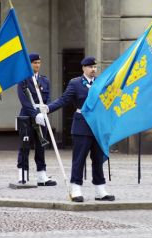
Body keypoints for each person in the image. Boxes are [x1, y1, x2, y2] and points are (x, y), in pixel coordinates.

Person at [48, 57, 115, 202]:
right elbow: (64, 100)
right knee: (79, 159)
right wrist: (47, 109)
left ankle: (100, 189)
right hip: (82, 125)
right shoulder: (76, 83)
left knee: (98, 158)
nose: (93, 70)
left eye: (95, 67)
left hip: (98, 126)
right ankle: (76, 188)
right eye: (90, 67)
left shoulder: (101, 82)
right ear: (83, 68)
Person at [16, 53, 56, 187]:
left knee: (41, 146)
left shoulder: (44, 80)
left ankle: (41, 174)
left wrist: (46, 109)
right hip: (27, 116)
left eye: (39, 62)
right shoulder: (23, 80)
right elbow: (24, 101)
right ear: (29, 64)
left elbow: (48, 97)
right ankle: (22, 172)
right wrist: (35, 114)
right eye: (34, 63)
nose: (37, 65)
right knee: (24, 145)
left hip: (42, 115)